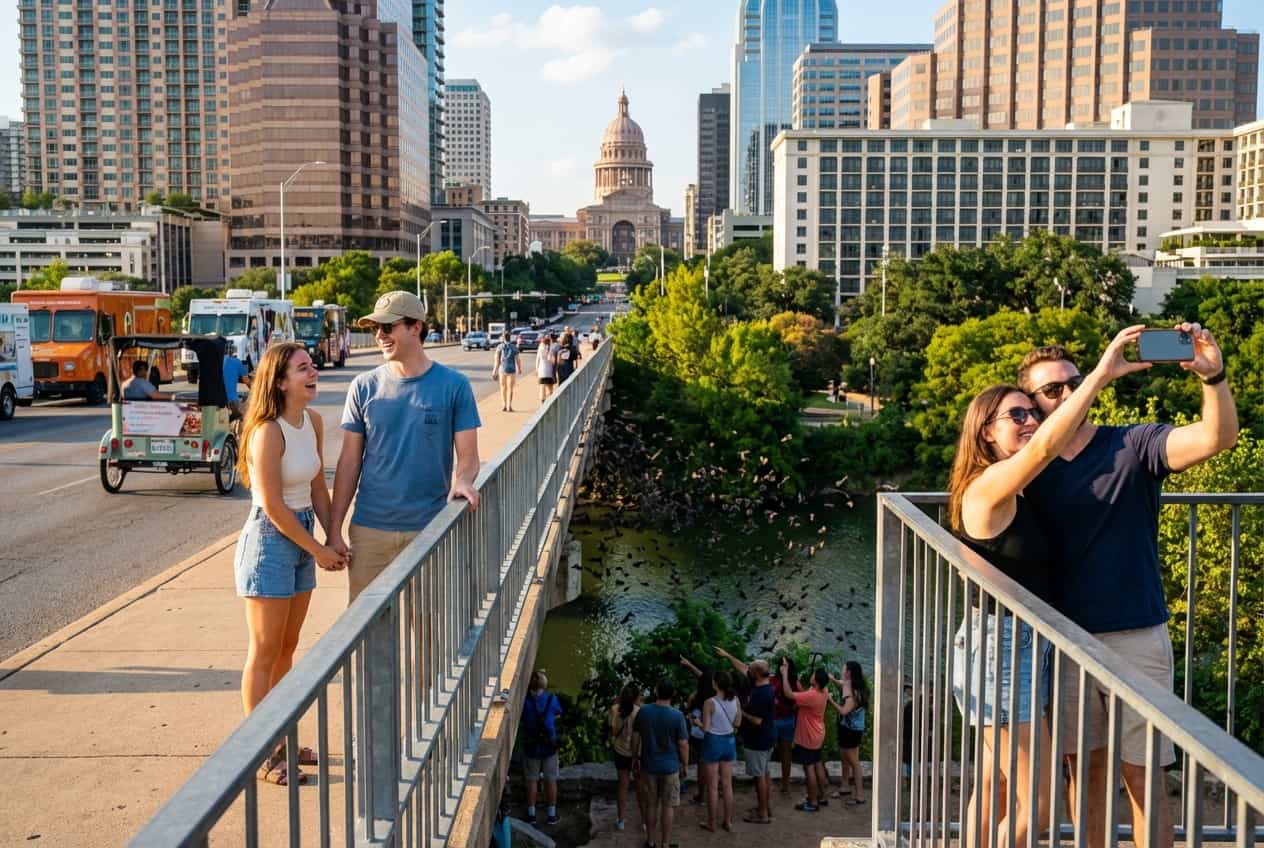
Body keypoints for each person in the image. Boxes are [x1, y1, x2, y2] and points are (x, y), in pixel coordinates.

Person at [1017, 324, 1238, 848]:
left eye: (1076, 381)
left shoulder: (1132, 444)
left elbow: (1216, 438)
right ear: (1029, 404)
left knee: (1143, 781)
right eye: (1053, 390)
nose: (1069, 393)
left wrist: (1215, 378)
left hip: (1136, 637)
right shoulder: (1028, 467)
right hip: (1064, 644)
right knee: (1086, 777)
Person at [946, 326, 1142, 848]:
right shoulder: (990, 485)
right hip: (1002, 650)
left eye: (1032, 412)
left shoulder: (1013, 485)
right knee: (1038, 805)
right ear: (986, 432)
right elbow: (1047, 449)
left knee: (993, 785)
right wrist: (1099, 375)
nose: (1032, 421)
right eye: (1018, 415)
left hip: (1012, 644)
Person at [233, 343, 347, 786]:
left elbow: (318, 488)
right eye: (304, 368)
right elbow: (274, 506)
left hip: (300, 538)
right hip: (269, 540)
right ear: (280, 382)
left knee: (286, 648)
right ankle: (261, 752)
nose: (313, 372)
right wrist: (317, 550)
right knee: (263, 652)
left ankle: (282, 736)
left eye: (312, 366)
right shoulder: (267, 432)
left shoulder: (312, 422)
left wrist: (332, 534)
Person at [329, 291, 481, 602]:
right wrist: (334, 530)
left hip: (428, 530)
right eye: (375, 329)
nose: (379, 336)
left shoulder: (454, 385)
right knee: (366, 636)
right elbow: (349, 463)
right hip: (369, 531)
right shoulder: (363, 386)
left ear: (416, 327)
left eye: (388, 327)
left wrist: (463, 481)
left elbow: (468, 455)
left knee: (429, 634)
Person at [713, 647, 776, 824]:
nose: (747, 669)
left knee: (760, 777)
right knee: (764, 773)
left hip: (758, 740)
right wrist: (727, 655)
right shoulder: (765, 684)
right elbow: (743, 668)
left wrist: (740, 711)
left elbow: (757, 720)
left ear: (756, 673)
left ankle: (762, 814)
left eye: (751, 669)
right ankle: (765, 807)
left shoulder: (760, 695)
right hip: (768, 737)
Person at [633, 678, 690, 848]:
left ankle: (650, 842)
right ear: (673, 694)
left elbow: (635, 736)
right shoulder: (677, 715)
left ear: (656, 691)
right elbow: (683, 744)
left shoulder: (644, 711)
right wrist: (685, 764)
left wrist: (635, 757)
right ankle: (665, 843)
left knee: (651, 805)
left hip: (649, 766)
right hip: (670, 767)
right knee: (668, 806)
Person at [782, 660, 829, 812]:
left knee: (808, 768)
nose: (812, 675)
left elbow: (789, 694)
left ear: (815, 681)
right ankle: (823, 796)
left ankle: (812, 802)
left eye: (814, 675)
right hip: (818, 733)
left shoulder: (812, 695)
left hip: (808, 736)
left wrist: (784, 675)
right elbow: (804, 696)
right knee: (817, 763)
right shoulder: (824, 691)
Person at [699, 670, 741, 832]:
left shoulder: (709, 702)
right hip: (729, 742)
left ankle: (711, 823)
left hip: (713, 742)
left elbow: (706, 728)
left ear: (715, 684)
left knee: (713, 787)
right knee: (727, 785)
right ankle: (728, 821)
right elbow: (737, 723)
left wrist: (697, 723)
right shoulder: (735, 700)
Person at [522, 671, 563, 826]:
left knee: (532, 780)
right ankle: (551, 815)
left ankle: (531, 814)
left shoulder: (524, 701)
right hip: (549, 746)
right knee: (551, 780)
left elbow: (523, 719)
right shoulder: (551, 699)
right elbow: (559, 713)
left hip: (531, 746)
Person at [827, 661, 869, 806]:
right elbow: (842, 684)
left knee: (854, 762)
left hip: (851, 731)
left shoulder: (852, 692)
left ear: (849, 672)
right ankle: (845, 787)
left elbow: (844, 711)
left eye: (843, 668)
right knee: (845, 759)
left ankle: (860, 795)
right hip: (848, 728)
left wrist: (830, 699)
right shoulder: (850, 684)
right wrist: (832, 680)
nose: (842, 670)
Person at [608, 682, 642, 832]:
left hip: (620, 751)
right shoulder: (640, 712)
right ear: (636, 698)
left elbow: (611, 730)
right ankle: (644, 821)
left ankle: (621, 820)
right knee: (641, 788)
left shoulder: (614, 709)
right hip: (637, 754)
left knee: (623, 786)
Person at [680, 657, 712, 805]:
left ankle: (701, 796)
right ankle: (708, 795)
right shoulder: (717, 697)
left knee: (702, 766)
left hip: (698, 735)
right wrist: (690, 666)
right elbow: (705, 677)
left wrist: (689, 666)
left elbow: (688, 712)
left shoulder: (695, 697)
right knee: (710, 765)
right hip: (713, 734)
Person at [771, 655, 802, 794]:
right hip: (780, 720)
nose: (783, 667)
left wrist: (791, 708)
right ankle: (776, 784)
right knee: (777, 753)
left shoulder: (793, 682)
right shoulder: (775, 679)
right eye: (782, 665)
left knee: (785, 754)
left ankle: (785, 785)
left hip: (783, 720)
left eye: (785, 665)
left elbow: (801, 700)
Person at [491, 330, 522, 412]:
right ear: (510, 338)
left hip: (502, 369)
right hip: (511, 370)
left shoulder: (499, 347)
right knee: (510, 388)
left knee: (503, 388)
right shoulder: (514, 347)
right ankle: (509, 406)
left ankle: (504, 405)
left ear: (503, 338)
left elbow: (497, 360)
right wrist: (519, 368)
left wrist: (495, 371)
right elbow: (518, 359)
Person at [222, 346, 251, 419]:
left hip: (215, 401)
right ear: (232, 352)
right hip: (232, 401)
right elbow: (246, 380)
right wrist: (255, 390)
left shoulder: (214, 362)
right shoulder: (236, 362)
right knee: (242, 418)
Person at [535, 333, 557, 404]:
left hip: (541, 370)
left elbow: (537, 360)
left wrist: (537, 369)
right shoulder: (550, 350)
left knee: (542, 387)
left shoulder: (540, 348)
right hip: (549, 371)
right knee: (550, 387)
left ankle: (542, 401)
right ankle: (550, 401)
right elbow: (553, 361)